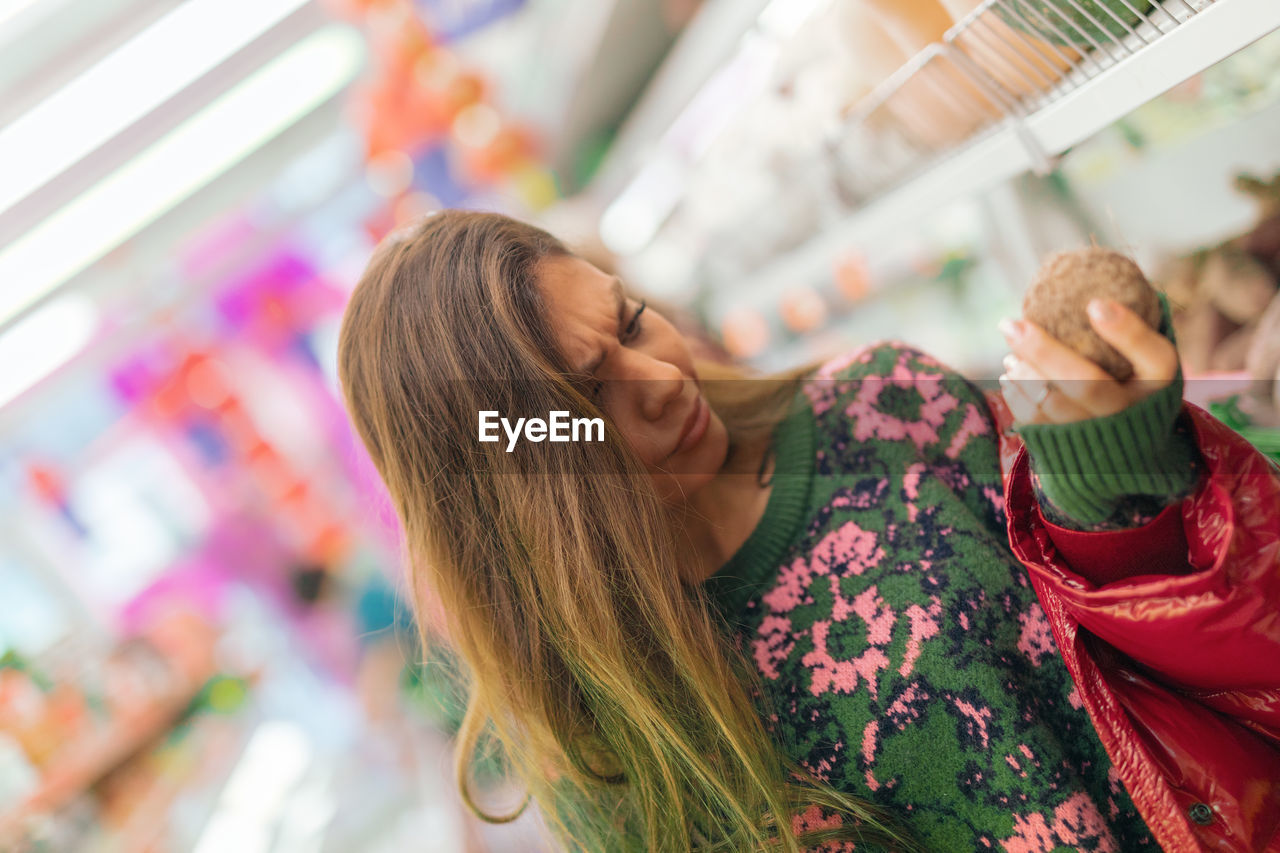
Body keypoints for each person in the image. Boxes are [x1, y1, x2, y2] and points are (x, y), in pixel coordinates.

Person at [336, 210, 1280, 852]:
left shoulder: (889, 407)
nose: (662, 378)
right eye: (591, 394)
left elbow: (1149, 651)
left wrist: (1107, 475)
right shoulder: (610, 751)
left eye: (632, 321)